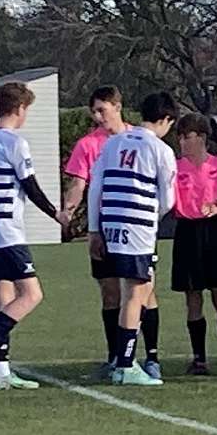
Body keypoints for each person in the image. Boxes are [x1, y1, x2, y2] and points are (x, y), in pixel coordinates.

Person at [0, 81, 62, 390]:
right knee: (31, 294)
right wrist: (56, 214)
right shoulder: (14, 142)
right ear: (20, 108)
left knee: (2, 298)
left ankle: (1, 368)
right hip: (5, 230)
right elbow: (30, 186)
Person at [90, 92, 180, 386]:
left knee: (134, 291)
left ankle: (121, 360)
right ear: (166, 119)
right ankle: (126, 365)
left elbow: (96, 187)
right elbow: (168, 199)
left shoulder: (113, 143)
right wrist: (152, 216)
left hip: (110, 226)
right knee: (136, 293)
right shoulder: (160, 149)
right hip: (138, 228)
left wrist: (94, 229)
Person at [59, 86, 134, 377]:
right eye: (94, 111)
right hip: (103, 226)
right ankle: (115, 357)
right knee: (110, 292)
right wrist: (68, 210)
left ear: (118, 107)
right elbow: (78, 183)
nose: (97, 116)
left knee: (142, 291)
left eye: (102, 110)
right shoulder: (89, 144)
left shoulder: (139, 138)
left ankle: (148, 357)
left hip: (134, 223)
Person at [169, 112, 217, 376]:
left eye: (187, 137)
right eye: (180, 137)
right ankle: (199, 358)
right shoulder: (175, 168)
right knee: (192, 296)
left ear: (202, 138)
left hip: (214, 231)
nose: (182, 142)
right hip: (187, 232)